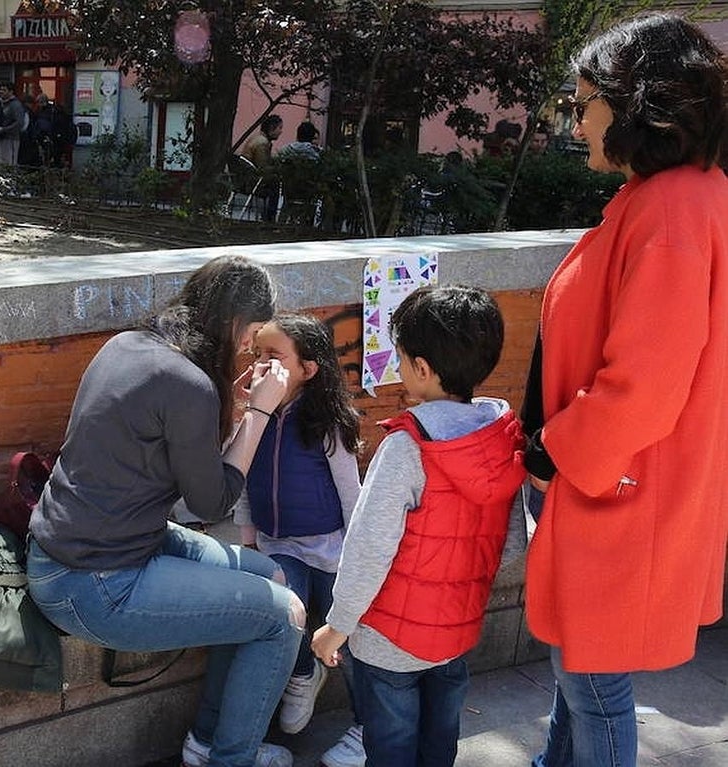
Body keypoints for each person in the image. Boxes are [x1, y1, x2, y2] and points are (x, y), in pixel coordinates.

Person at [520, 13, 728, 767]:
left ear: (635, 102)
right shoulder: (678, 195)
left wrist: (554, 454)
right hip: (617, 481)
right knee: (580, 671)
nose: (575, 125)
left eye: (583, 105)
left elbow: (644, 387)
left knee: (595, 684)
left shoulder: (670, 210)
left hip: (614, 488)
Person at [27, 254, 303, 767]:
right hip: (94, 584)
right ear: (232, 322)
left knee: (273, 576)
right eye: (251, 333)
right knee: (283, 617)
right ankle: (230, 759)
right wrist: (262, 411)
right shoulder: (190, 385)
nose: (249, 347)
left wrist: (233, 412)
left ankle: (208, 741)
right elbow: (212, 502)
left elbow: (187, 470)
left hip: (80, 550)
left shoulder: (128, 344)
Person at [311, 284, 527, 767]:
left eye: (403, 357)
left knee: (390, 747)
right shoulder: (502, 438)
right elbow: (510, 547)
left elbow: (369, 548)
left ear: (423, 368)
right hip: (456, 630)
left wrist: (337, 626)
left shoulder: (408, 447)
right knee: (437, 744)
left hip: (389, 642)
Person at [232, 313, 367, 767]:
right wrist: (250, 538)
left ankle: (368, 723)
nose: (262, 366)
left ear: (308, 370)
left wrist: (356, 550)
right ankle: (302, 674)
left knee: (344, 637)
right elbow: (242, 479)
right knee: (286, 619)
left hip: (331, 548)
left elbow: (352, 493)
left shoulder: (327, 422)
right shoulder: (253, 416)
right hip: (277, 544)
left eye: (275, 356)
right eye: (257, 356)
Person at [240, 115, 283, 221]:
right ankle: (269, 217)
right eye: (279, 128)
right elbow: (263, 168)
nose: (281, 132)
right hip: (252, 183)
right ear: (271, 128)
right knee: (276, 183)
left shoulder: (256, 138)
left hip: (245, 179)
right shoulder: (262, 143)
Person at [29, 92, 75, 168]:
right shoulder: (52, 110)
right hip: (53, 139)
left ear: (42, 102)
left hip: (53, 139)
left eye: (38, 102)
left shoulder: (49, 112)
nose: (37, 105)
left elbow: (50, 126)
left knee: (52, 158)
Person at [0, 82, 28, 165]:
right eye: (1, 89)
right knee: (2, 162)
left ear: (11, 92)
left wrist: (5, 129)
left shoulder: (15, 105)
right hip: (1, 138)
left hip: (11, 139)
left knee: (10, 163)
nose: (1, 92)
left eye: (4, 90)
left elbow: (19, 123)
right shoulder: (1, 104)